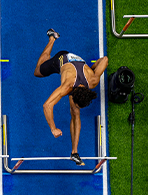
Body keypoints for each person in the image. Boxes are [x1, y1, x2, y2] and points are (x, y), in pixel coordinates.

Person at [34, 28, 108, 165]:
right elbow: (47, 105)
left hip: (78, 69)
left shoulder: (93, 80)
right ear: (72, 94)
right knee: (38, 71)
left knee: (75, 112)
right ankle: (52, 38)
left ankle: (74, 152)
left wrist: (91, 70)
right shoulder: (67, 87)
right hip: (61, 59)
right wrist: (53, 128)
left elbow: (104, 60)